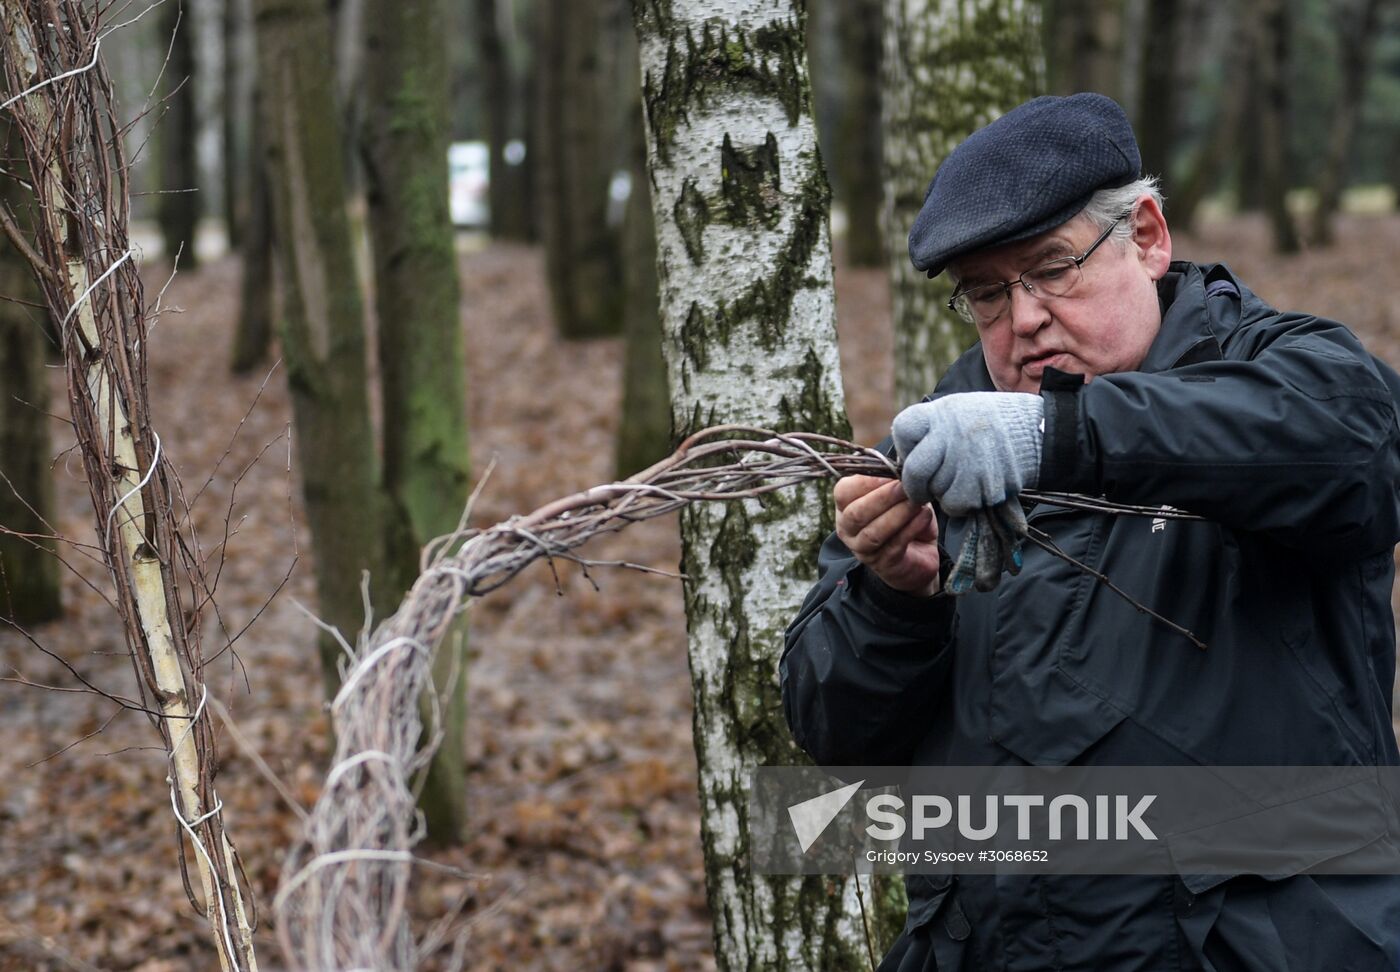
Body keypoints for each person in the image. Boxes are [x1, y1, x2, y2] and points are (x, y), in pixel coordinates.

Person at [780, 93, 1400, 970]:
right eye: (988, 293)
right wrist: (894, 596)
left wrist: (1059, 437)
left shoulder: (1282, 371)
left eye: (1053, 268)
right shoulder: (941, 446)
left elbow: (1355, 451)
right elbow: (828, 726)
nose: (1023, 318)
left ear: (1147, 237)